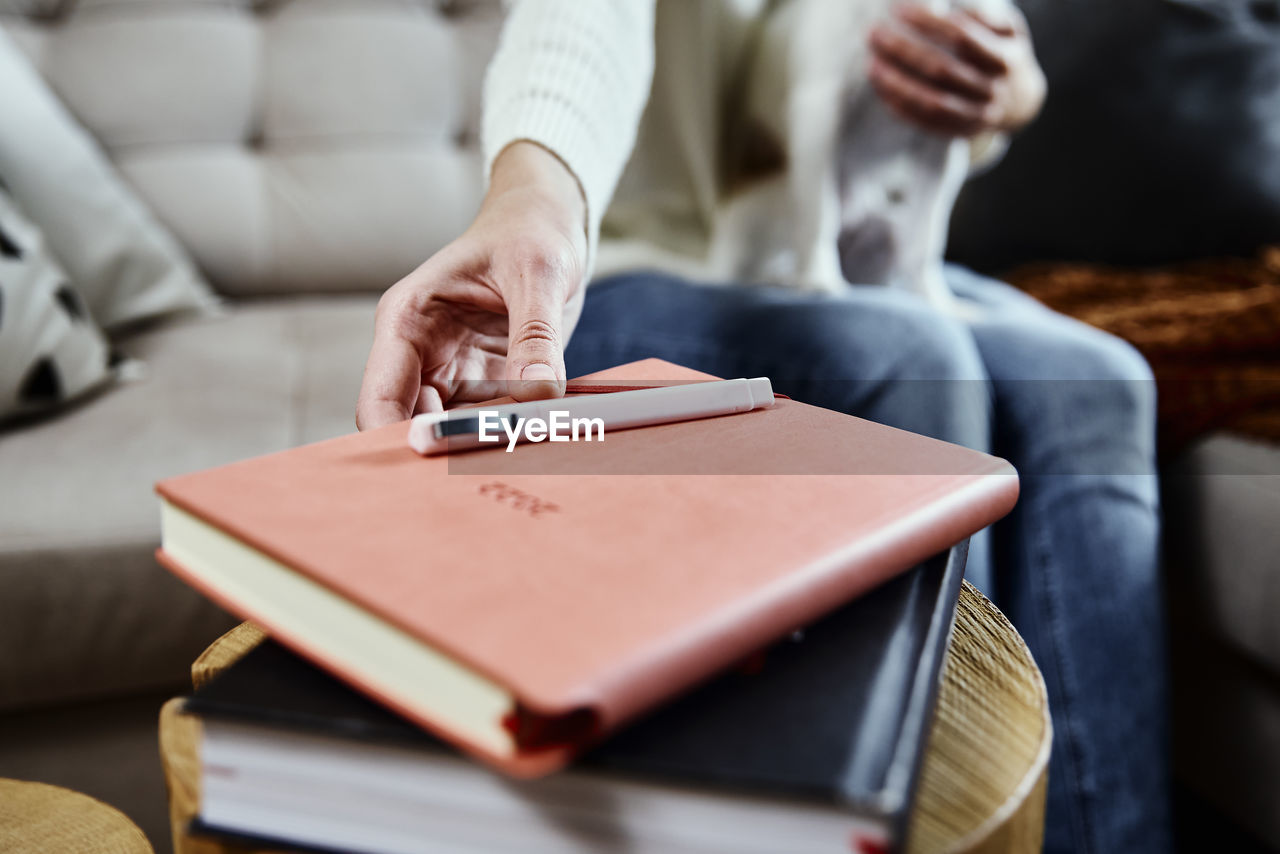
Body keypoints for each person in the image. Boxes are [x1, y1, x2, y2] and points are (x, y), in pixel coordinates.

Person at [356, 2, 1171, 851]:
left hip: (840, 243)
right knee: (916, 355)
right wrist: (537, 195)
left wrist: (1011, 92)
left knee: (1102, 381)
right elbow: (581, 25)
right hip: (645, 262)